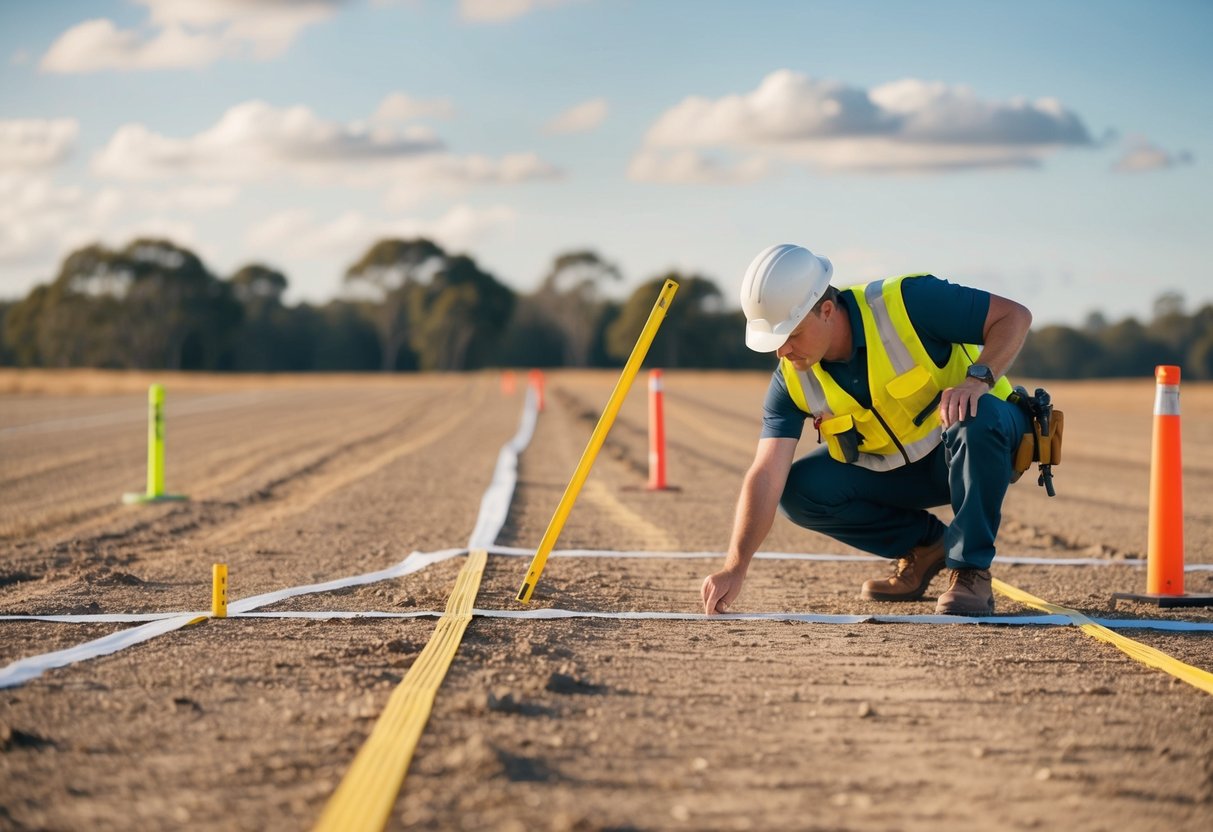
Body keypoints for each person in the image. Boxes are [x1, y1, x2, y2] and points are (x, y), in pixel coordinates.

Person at [701, 243, 1033, 617]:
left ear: (826, 309)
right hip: (910, 472)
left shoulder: (909, 303)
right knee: (798, 490)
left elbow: (1014, 317)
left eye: (790, 335)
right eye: (774, 341)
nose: (782, 352)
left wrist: (977, 381)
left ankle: (970, 571)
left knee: (976, 413)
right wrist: (736, 566)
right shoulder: (791, 380)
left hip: (985, 442)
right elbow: (765, 473)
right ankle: (925, 548)